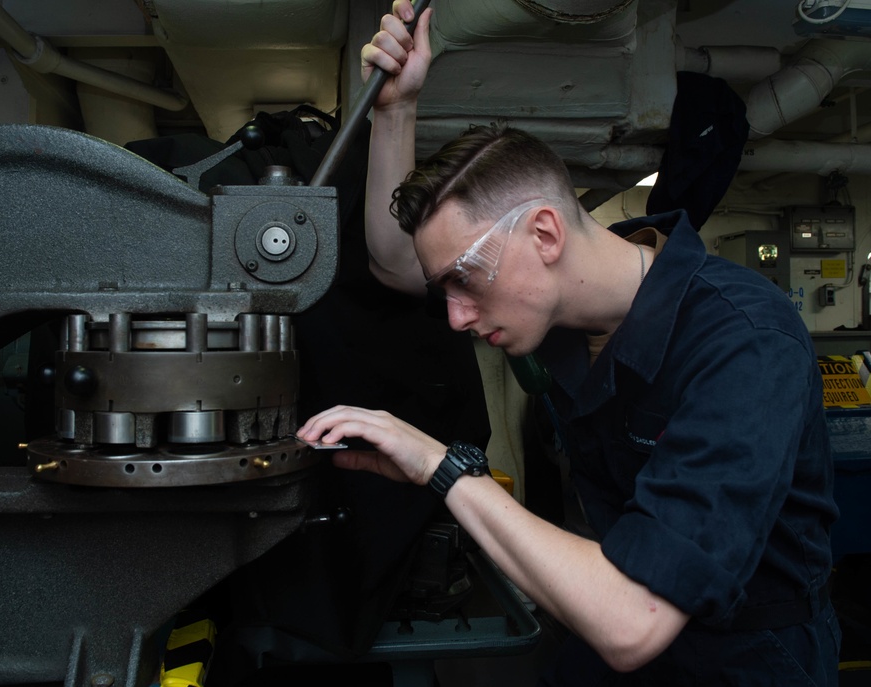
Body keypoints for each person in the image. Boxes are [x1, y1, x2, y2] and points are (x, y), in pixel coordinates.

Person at [298, 1, 841, 685]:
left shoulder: (743, 342)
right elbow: (395, 264)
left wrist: (439, 466)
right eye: (448, 290)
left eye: (466, 281)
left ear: (546, 236)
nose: (456, 317)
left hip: (743, 653)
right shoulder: (553, 311)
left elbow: (633, 617)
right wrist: (395, 110)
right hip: (613, 617)